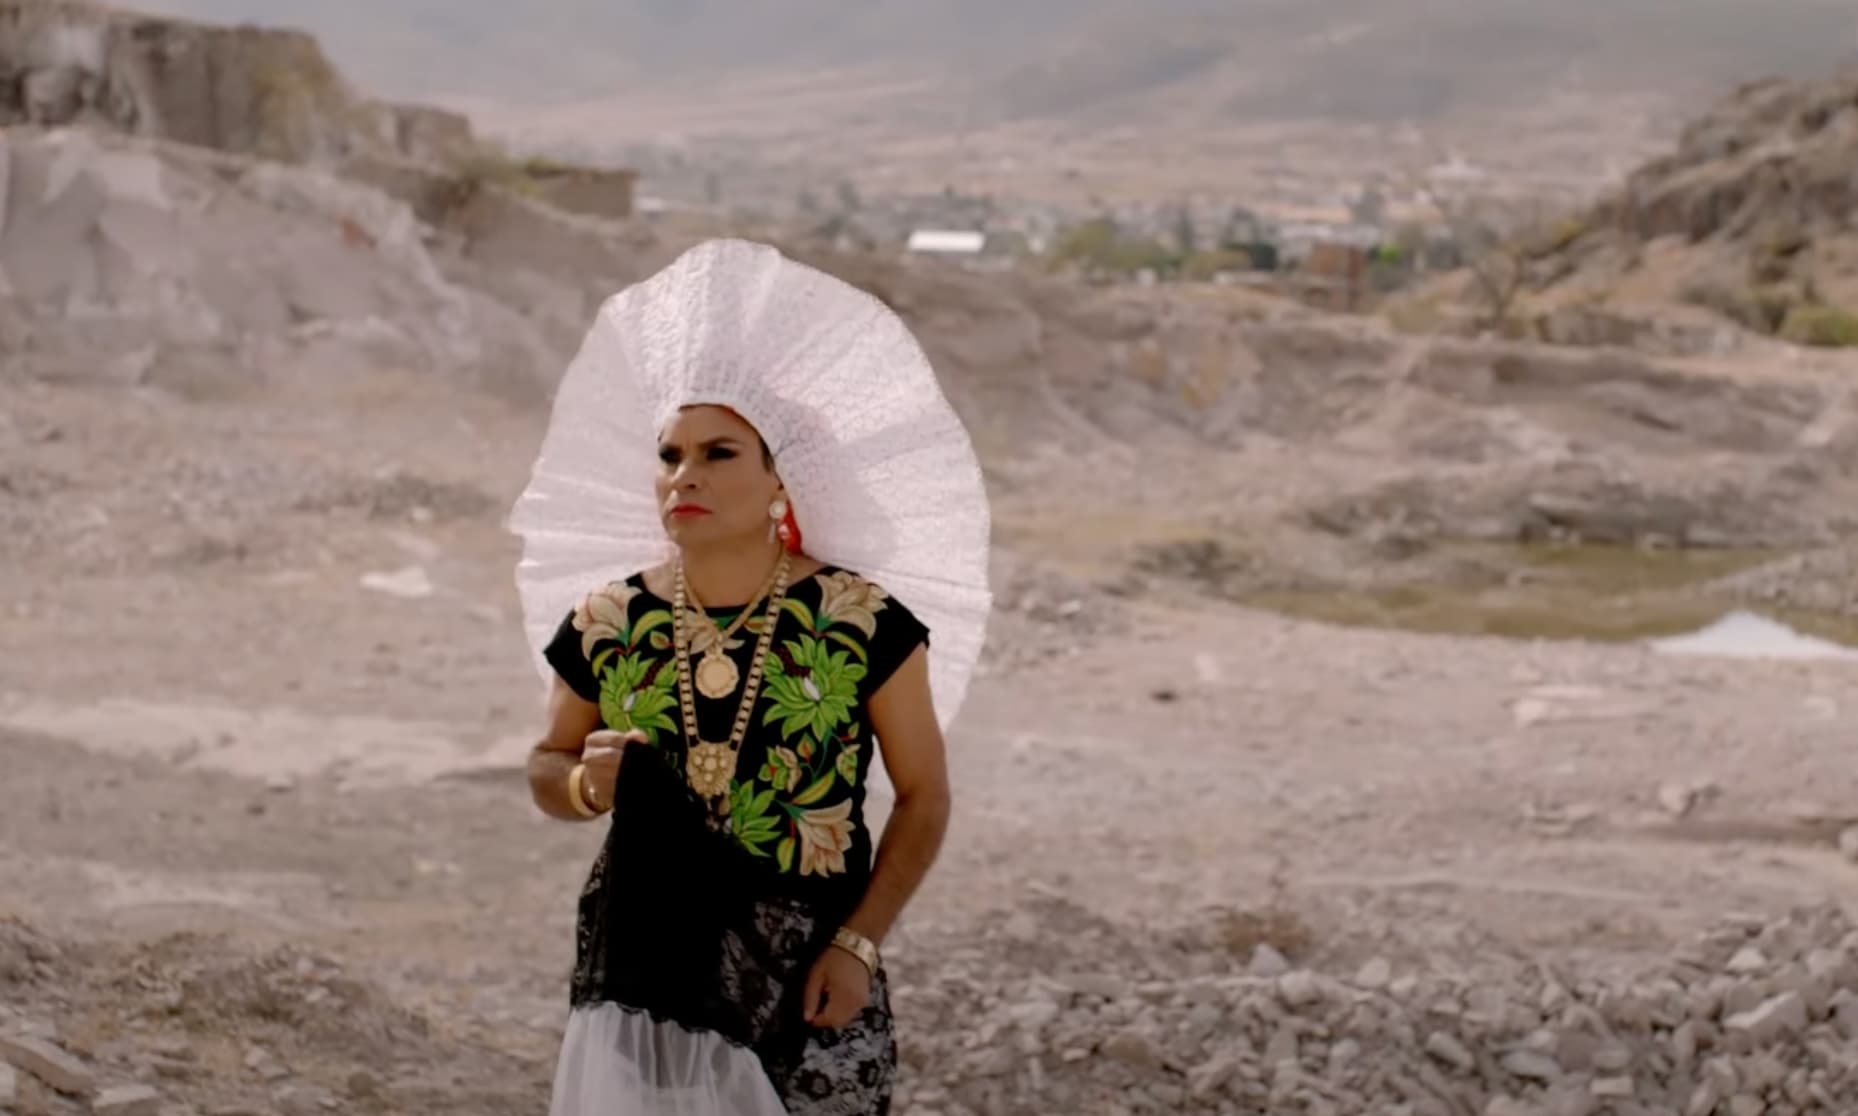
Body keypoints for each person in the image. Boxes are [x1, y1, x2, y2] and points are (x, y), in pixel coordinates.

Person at [507, 239, 992, 1116]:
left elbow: (925, 796)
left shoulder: (858, 620)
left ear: (781, 479)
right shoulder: (609, 620)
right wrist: (584, 786)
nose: (684, 476)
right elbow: (548, 761)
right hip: (647, 968)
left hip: (810, 971)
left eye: (718, 453)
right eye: (669, 455)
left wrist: (858, 945)